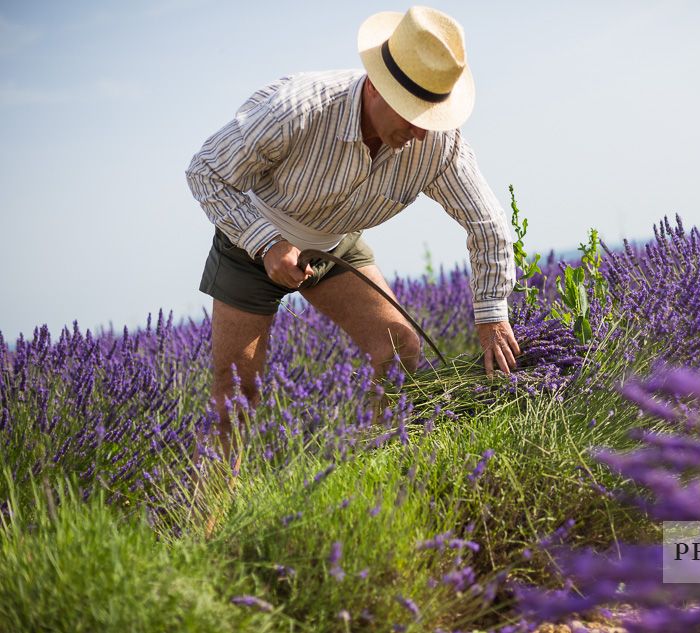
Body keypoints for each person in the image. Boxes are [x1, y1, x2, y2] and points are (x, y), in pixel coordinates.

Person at [185, 6, 521, 467]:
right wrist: (266, 244)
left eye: (431, 115)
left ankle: (369, 468)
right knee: (236, 393)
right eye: (411, 114)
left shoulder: (438, 144)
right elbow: (206, 171)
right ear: (377, 86)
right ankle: (215, 513)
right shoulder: (298, 108)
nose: (420, 131)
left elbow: (487, 224)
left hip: (335, 243)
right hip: (252, 239)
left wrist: (491, 315)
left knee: (399, 348)